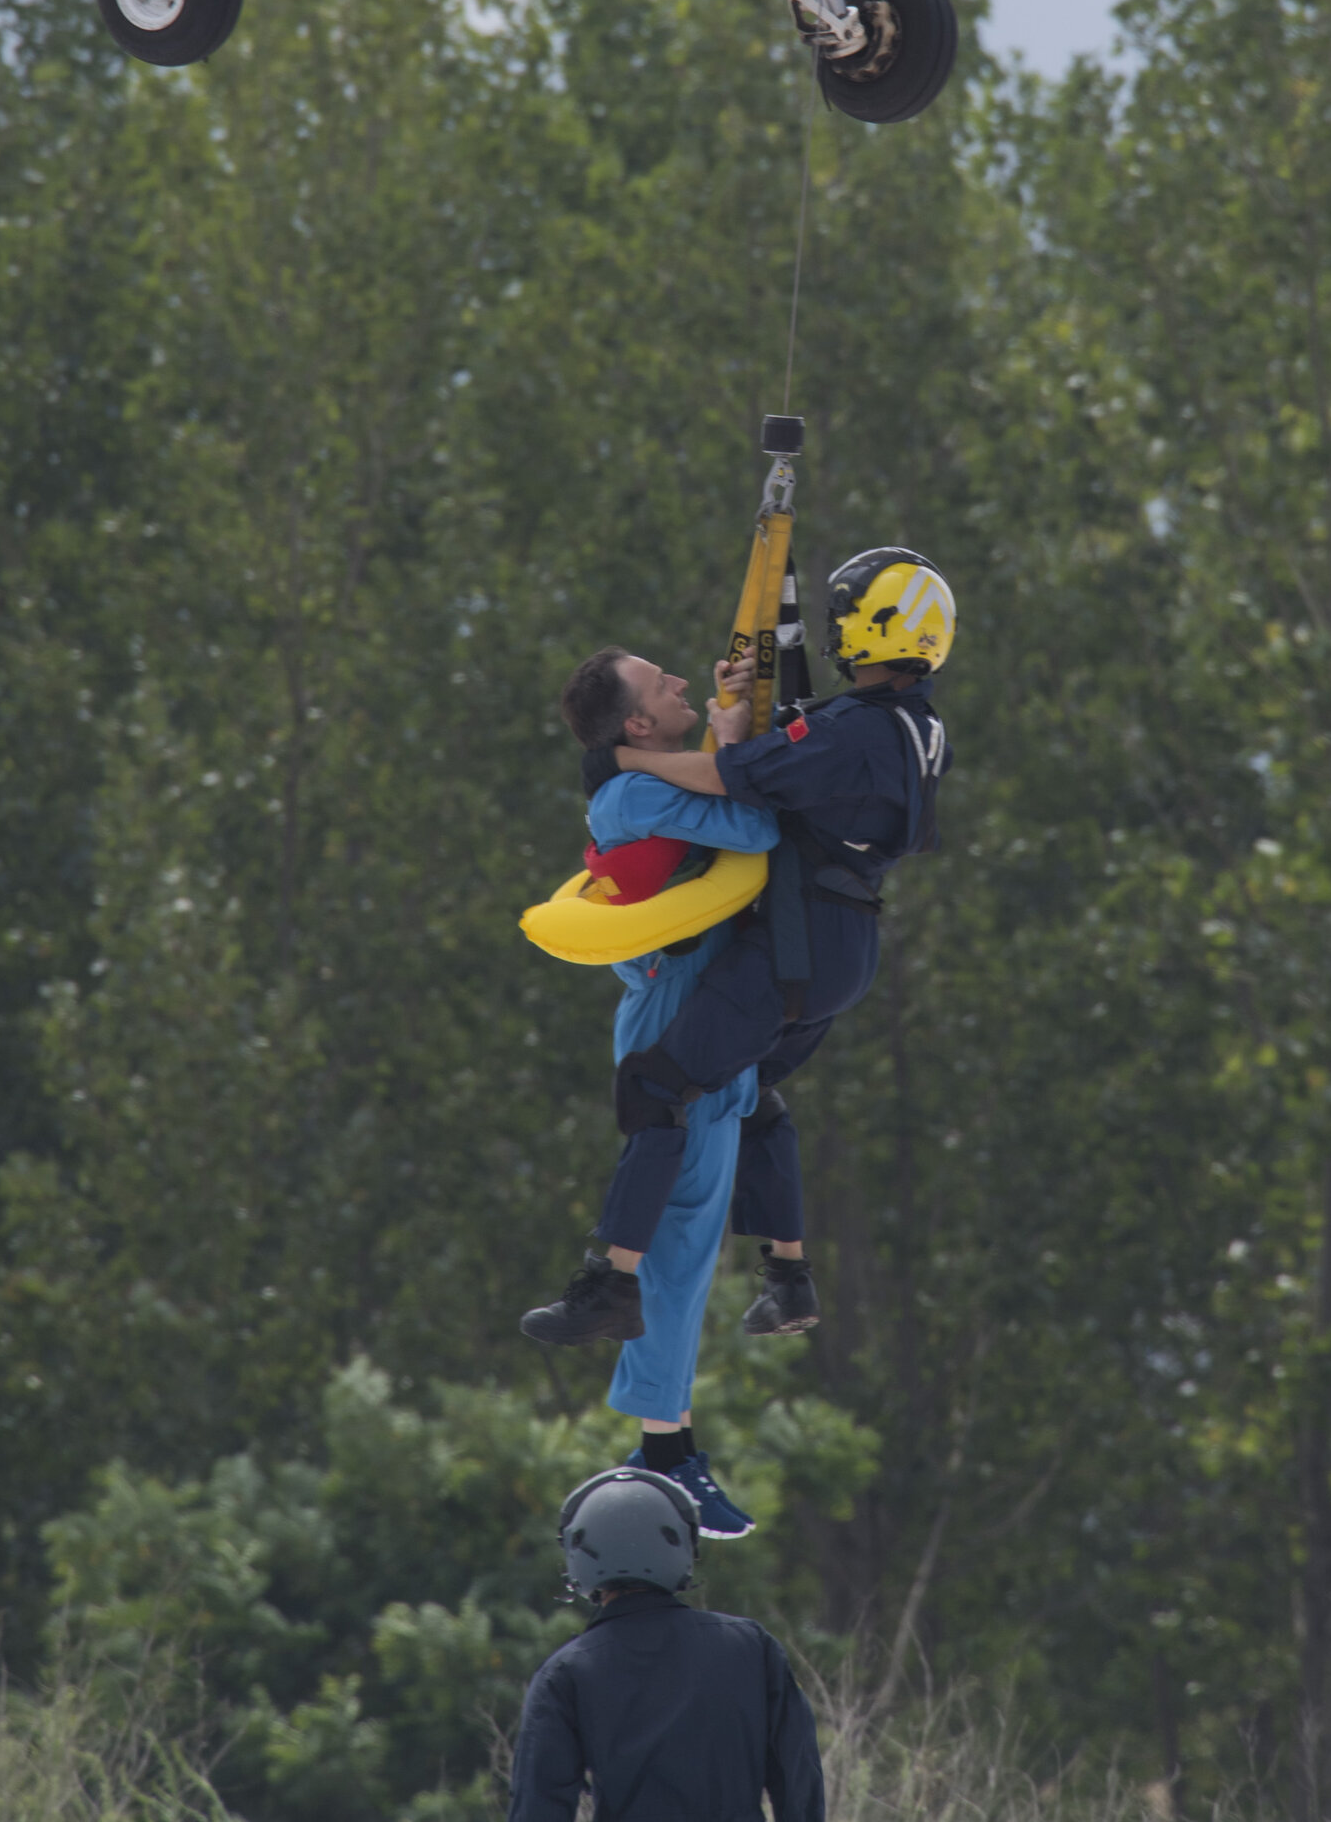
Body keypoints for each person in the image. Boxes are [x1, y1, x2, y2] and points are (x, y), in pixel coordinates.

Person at [520, 550, 953, 1358]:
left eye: (842, 621)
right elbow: (800, 741)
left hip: (797, 945)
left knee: (653, 1085)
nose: (833, 635)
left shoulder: (856, 732)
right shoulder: (912, 726)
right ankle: (789, 1277)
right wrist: (749, 702)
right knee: (747, 1090)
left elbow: (750, 777)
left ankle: (610, 1284)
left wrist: (629, 758)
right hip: (843, 949)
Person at [521, 650, 783, 1542]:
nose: (680, 685)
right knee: (679, 1248)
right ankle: (666, 1452)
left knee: (690, 1247)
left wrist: (733, 721)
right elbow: (751, 827)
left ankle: (670, 1444)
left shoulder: (639, 777)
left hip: (709, 1009)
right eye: (662, 684)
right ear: (635, 725)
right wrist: (730, 742)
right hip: (677, 1016)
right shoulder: (630, 793)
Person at [508, 1466, 824, 1822]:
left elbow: (538, 1806)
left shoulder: (565, 1674)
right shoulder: (751, 1647)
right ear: (681, 1545)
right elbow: (798, 1778)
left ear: (578, 1553)